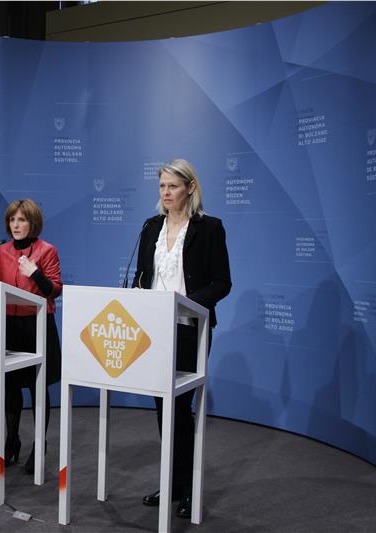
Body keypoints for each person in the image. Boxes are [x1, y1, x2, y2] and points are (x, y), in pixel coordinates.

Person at [131, 159, 231, 518]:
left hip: (190, 329)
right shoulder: (150, 226)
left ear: (190, 187)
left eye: (172, 186)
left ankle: (189, 487)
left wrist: (186, 303)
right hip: (154, 331)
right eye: (162, 186)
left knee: (180, 408)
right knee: (163, 407)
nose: (166, 193)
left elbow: (222, 283)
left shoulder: (209, 228)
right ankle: (172, 483)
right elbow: (143, 275)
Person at [0, 198, 63, 474]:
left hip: (37, 325)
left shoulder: (47, 250)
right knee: (10, 386)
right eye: (12, 220)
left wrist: (34, 273)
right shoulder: (2, 251)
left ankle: (39, 444)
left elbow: (54, 290)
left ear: (33, 223)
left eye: (21, 220)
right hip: (10, 325)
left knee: (37, 387)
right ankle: (11, 441)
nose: (16, 225)